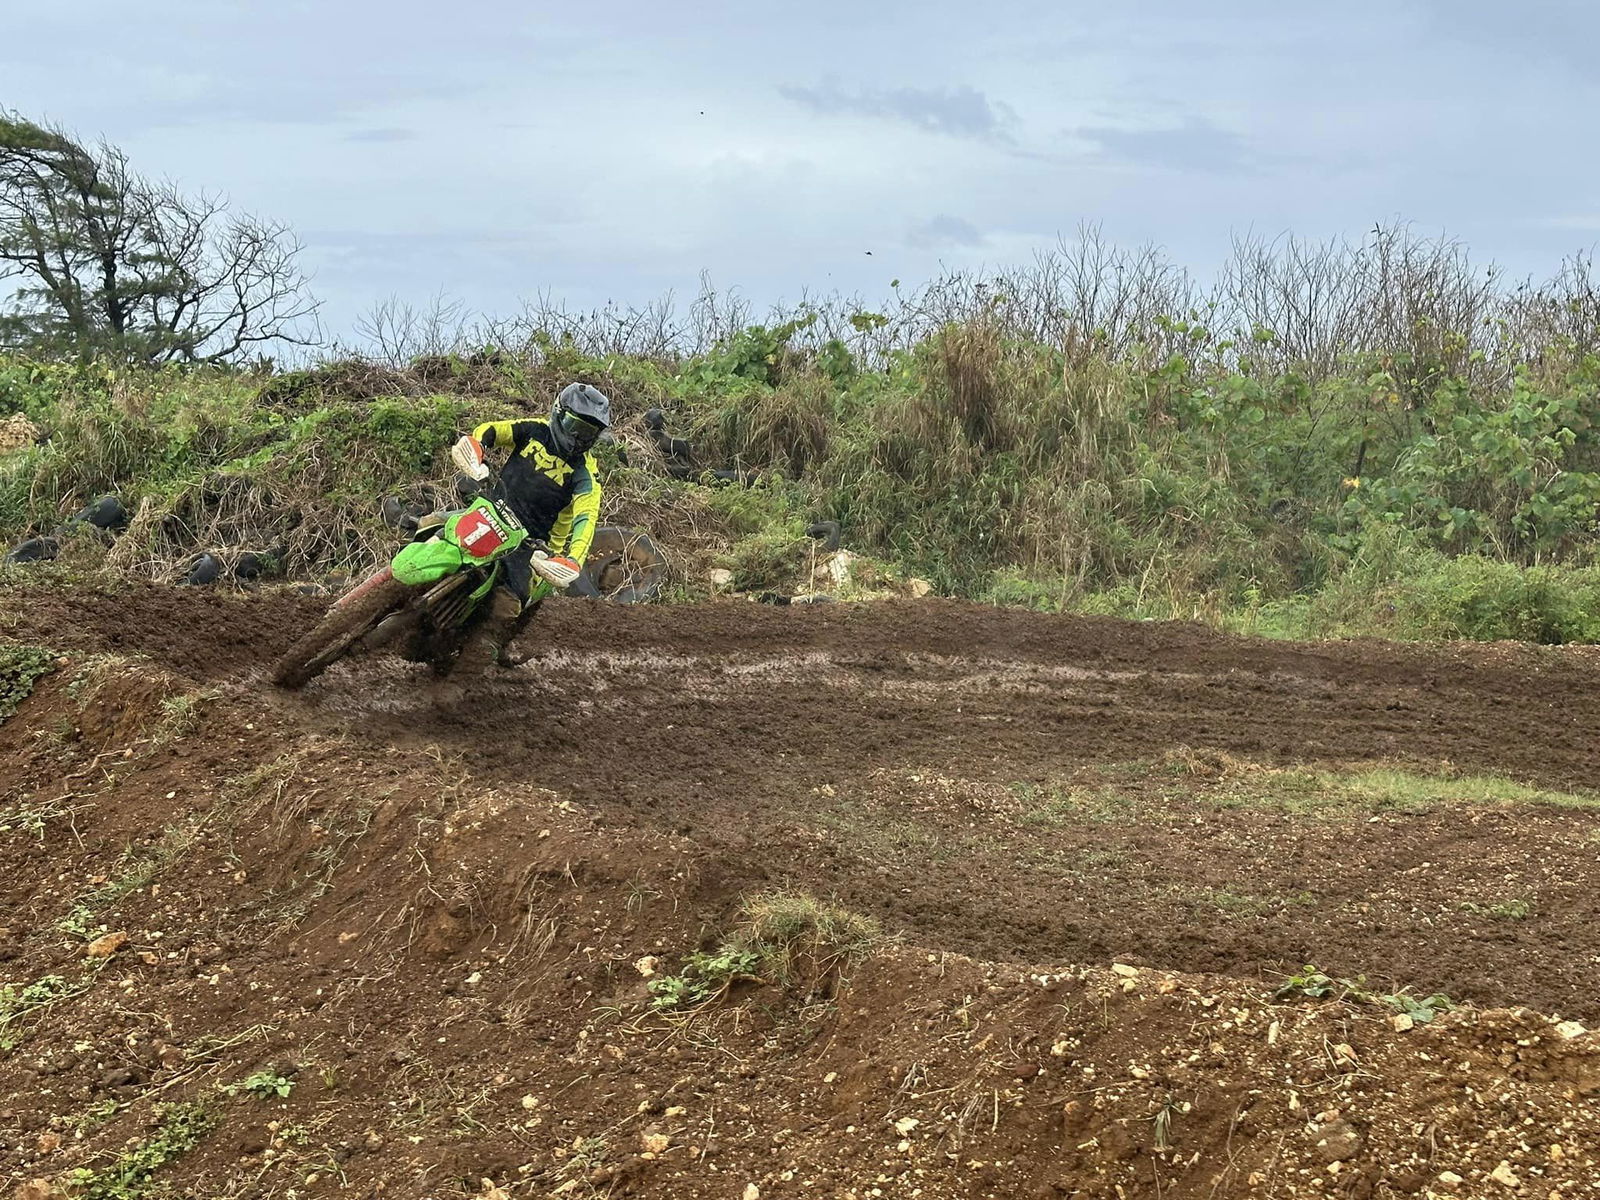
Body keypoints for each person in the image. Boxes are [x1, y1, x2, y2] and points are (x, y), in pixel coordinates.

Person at [447, 382, 611, 672]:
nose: (578, 437)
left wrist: (572, 559)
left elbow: (586, 521)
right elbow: (494, 430)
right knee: (431, 524)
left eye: (588, 432)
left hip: (534, 547)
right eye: (575, 425)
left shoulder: (586, 476)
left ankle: (460, 679)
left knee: (507, 604)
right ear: (559, 414)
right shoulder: (534, 430)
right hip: (491, 514)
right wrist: (476, 446)